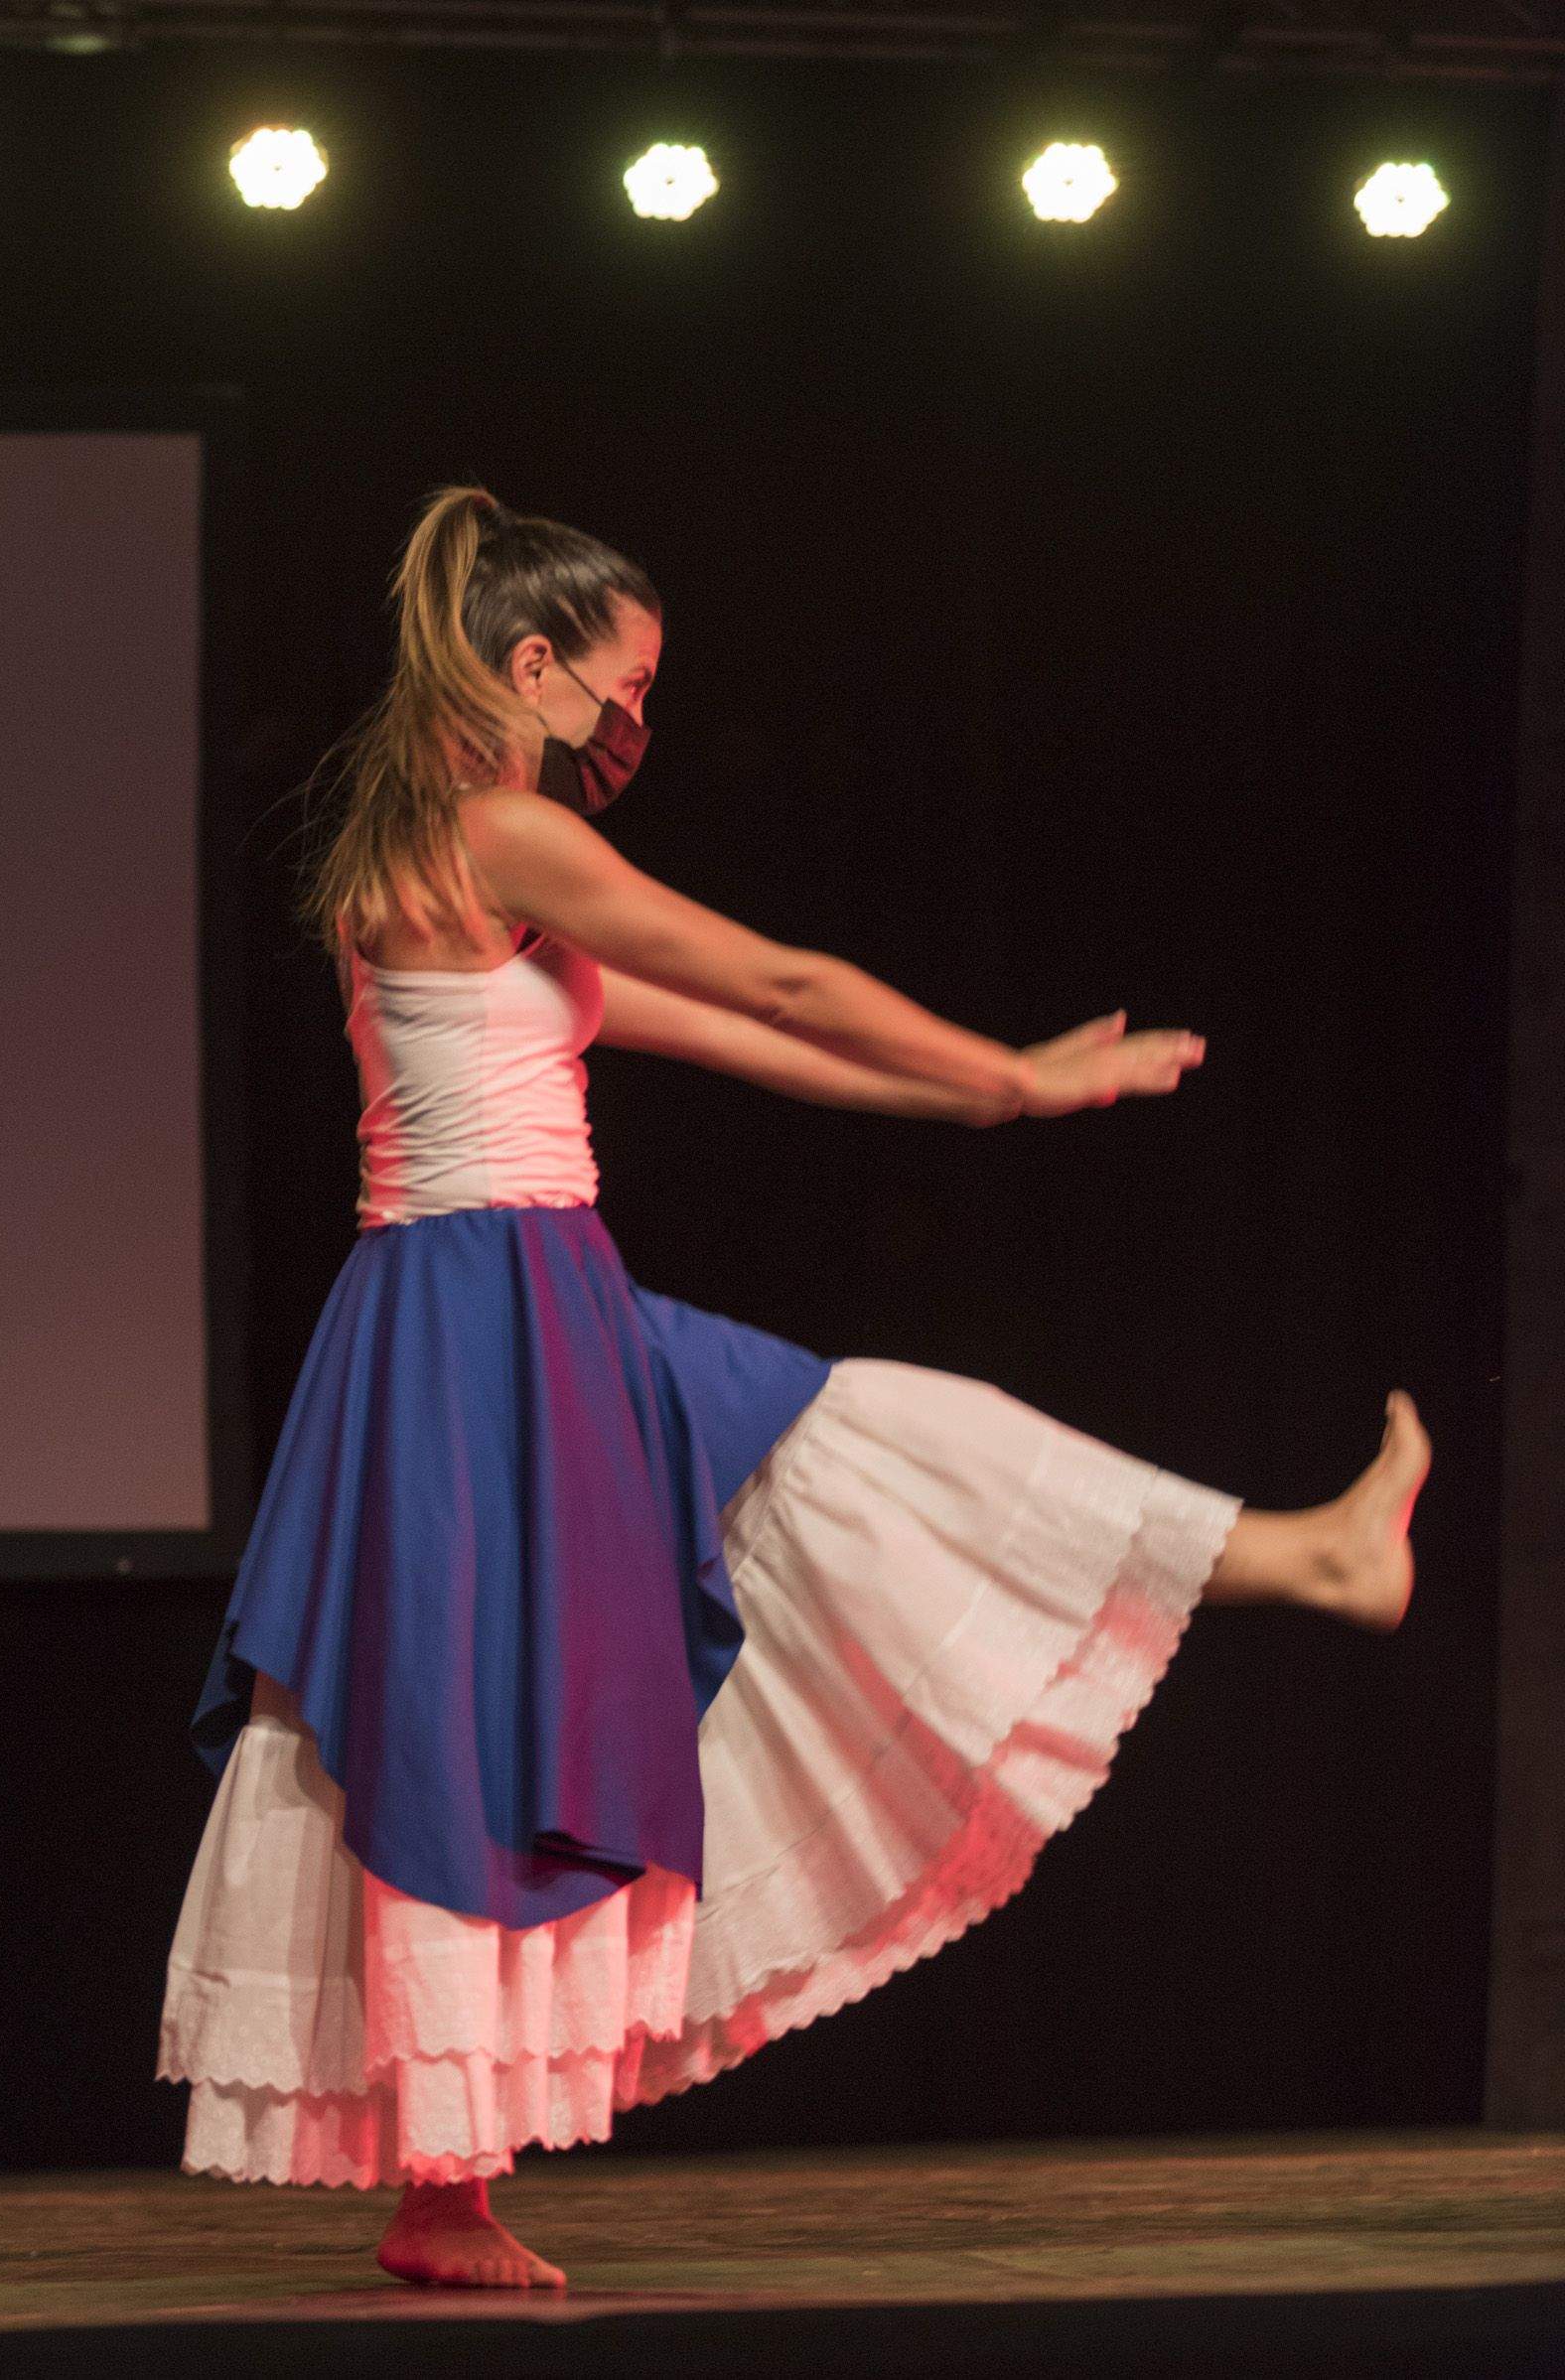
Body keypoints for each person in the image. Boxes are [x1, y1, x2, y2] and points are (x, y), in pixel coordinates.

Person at [156, 485, 1432, 2291]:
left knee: (564, 1646)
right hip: (494, 1317)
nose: (635, 721)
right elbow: (781, 968)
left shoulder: (430, 855)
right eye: (626, 681)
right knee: (485, 1697)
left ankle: (1305, 1554)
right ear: (534, 668)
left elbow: (752, 1034)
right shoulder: (500, 834)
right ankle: (439, 2184)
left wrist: (998, 1095)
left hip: (493, 1314)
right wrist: (1004, 1062)